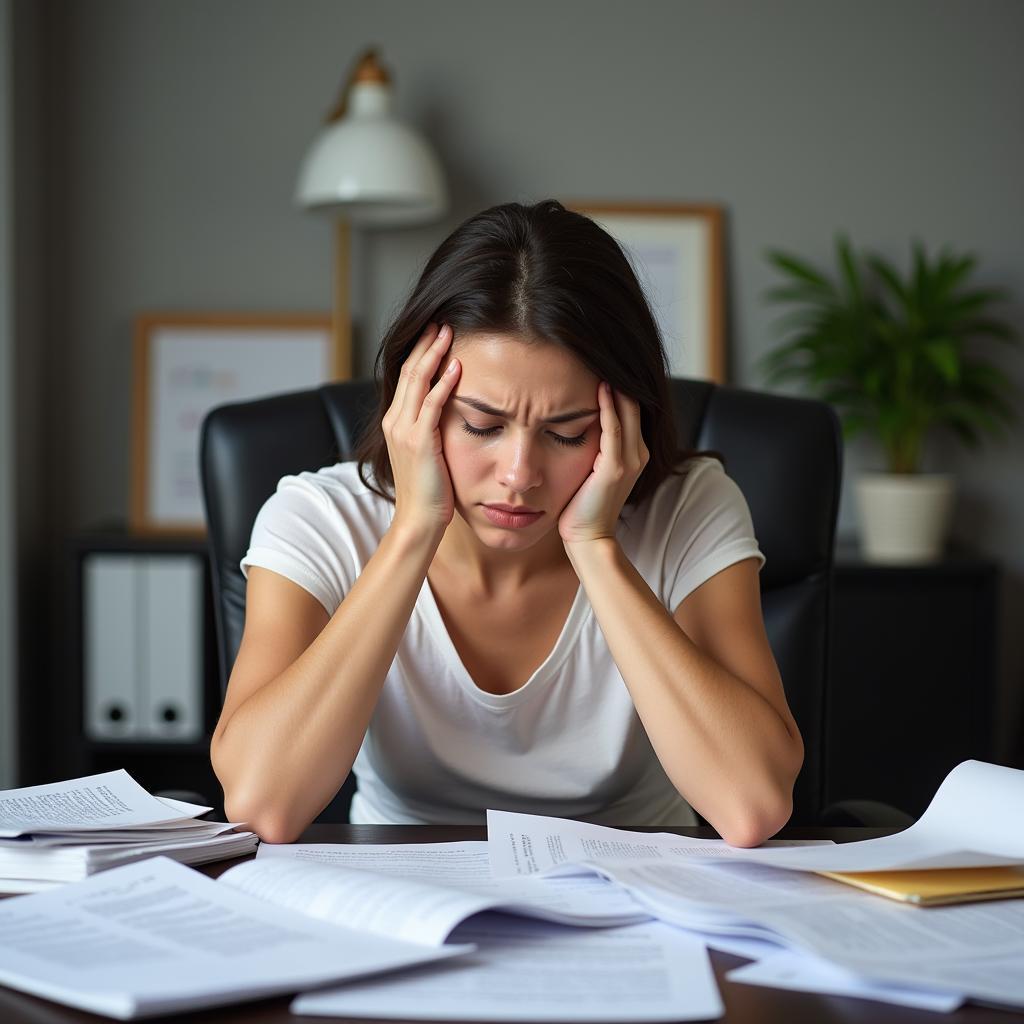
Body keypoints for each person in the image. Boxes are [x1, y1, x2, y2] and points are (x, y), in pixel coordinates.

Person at [211, 199, 804, 845]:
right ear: (416, 404)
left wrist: (596, 547)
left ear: (624, 422)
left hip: (637, 883)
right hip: (401, 883)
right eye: (482, 426)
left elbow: (752, 807)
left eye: (567, 433)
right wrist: (414, 529)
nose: (520, 473)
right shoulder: (319, 518)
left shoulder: (690, 509)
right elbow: (264, 804)